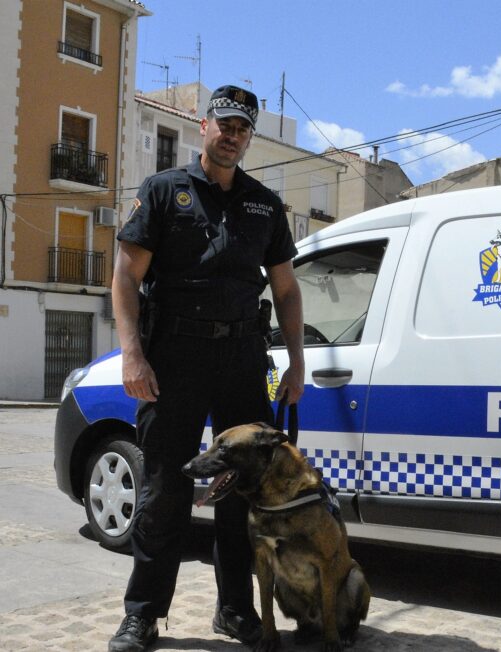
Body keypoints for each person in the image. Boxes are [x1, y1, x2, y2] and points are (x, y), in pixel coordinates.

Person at [108, 85, 305, 652]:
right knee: (164, 489)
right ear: (204, 126)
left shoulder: (265, 204)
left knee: (242, 493)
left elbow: (286, 291)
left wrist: (294, 363)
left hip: (243, 359)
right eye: (224, 124)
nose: (232, 134)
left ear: (249, 136)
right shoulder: (164, 192)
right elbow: (125, 277)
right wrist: (132, 353)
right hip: (173, 359)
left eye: (242, 127)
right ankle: (142, 615)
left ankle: (235, 611)